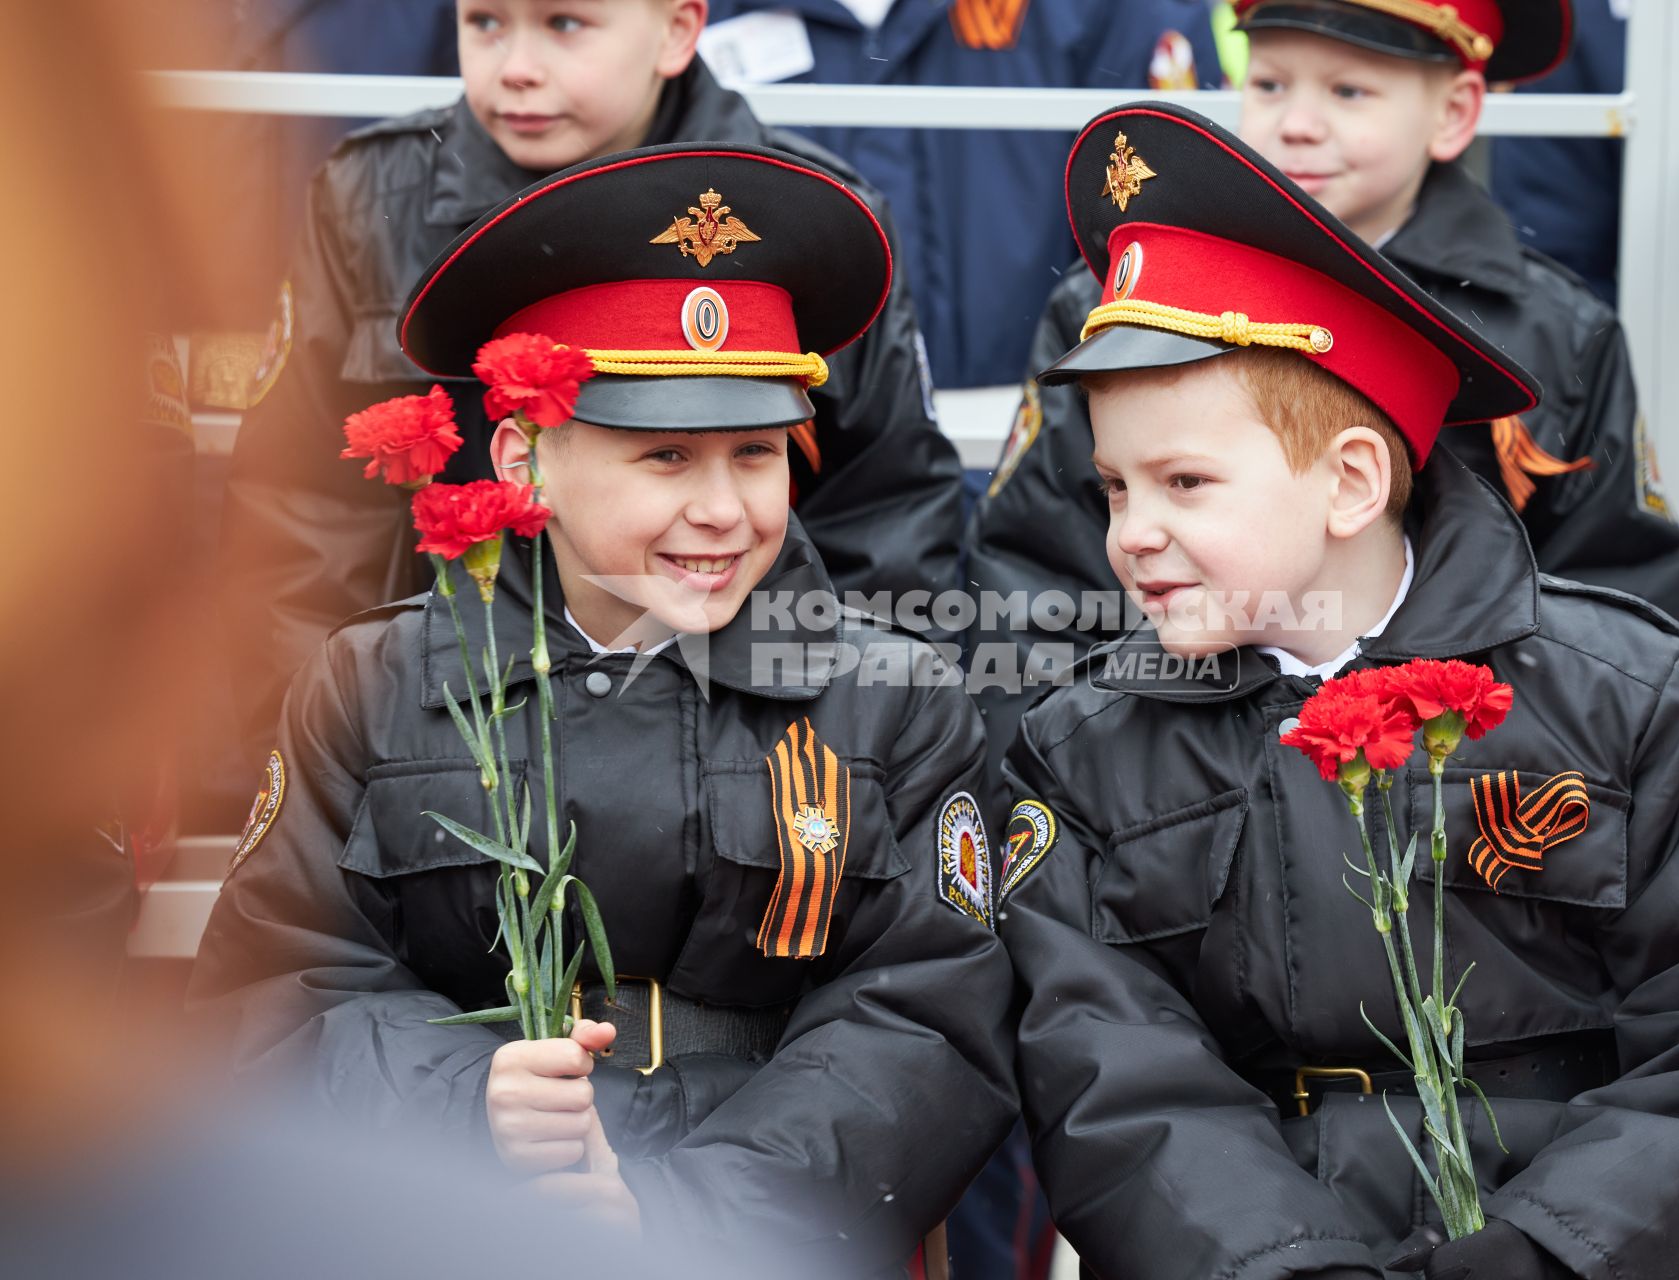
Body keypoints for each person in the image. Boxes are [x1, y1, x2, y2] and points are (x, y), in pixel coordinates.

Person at [996, 101, 1679, 1279]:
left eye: (1184, 482)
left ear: (1353, 480)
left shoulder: (1637, 697)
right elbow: (1107, 1071)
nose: (1131, 534)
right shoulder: (1082, 748)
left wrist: (1541, 1255)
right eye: (1112, 487)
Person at [192, 143, 1015, 1276]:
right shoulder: (372, 685)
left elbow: (930, 1022)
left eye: (759, 453)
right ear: (526, 462)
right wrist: (463, 1102)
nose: (723, 507)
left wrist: (690, 1211)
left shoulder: (892, 704)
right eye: (665, 455)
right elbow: (268, 991)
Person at [964, 0, 1679, 822]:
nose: (1298, 124)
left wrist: (1515, 766)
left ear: (1453, 112)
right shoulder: (1113, 312)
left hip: (1474, 784)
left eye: (1349, 93)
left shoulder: (1557, 332)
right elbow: (1033, 580)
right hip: (1176, 773)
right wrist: (1050, 785)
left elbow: (1618, 580)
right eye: (1269, 82)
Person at [221, 0, 966, 767]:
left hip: (743, 737)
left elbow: (891, 506)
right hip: (446, 734)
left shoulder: (806, 220)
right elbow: (300, 513)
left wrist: (862, 753)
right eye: (483, 23)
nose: (514, 65)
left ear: (677, 30)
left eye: (564, 24)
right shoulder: (369, 201)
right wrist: (312, 757)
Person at [704, 0, 1224, 388]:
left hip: (1052, 452)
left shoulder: (1109, 12)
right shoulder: (688, 18)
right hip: (784, 454)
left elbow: (1172, 240)